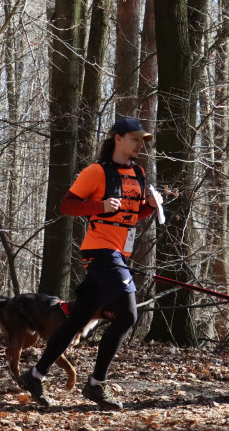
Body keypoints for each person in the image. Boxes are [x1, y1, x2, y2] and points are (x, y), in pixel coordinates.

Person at [20, 117, 163, 409]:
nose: (140, 145)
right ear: (118, 138)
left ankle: (36, 373)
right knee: (127, 314)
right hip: (100, 252)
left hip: (119, 254)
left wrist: (149, 206)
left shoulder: (138, 173)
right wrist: (100, 205)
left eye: (142, 140)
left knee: (77, 319)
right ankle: (96, 384)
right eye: (135, 139)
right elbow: (67, 205)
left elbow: (129, 218)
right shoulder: (96, 172)